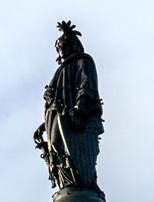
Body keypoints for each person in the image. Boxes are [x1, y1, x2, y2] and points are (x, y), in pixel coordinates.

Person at [36, 22, 104, 192]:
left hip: (74, 118)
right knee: (59, 155)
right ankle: (68, 185)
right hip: (56, 120)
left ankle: (84, 185)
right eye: (58, 46)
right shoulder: (61, 70)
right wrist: (44, 125)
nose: (60, 48)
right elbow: (54, 100)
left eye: (63, 45)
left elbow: (85, 84)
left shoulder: (83, 61)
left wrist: (80, 107)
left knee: (78, 154)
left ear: (72, 45)